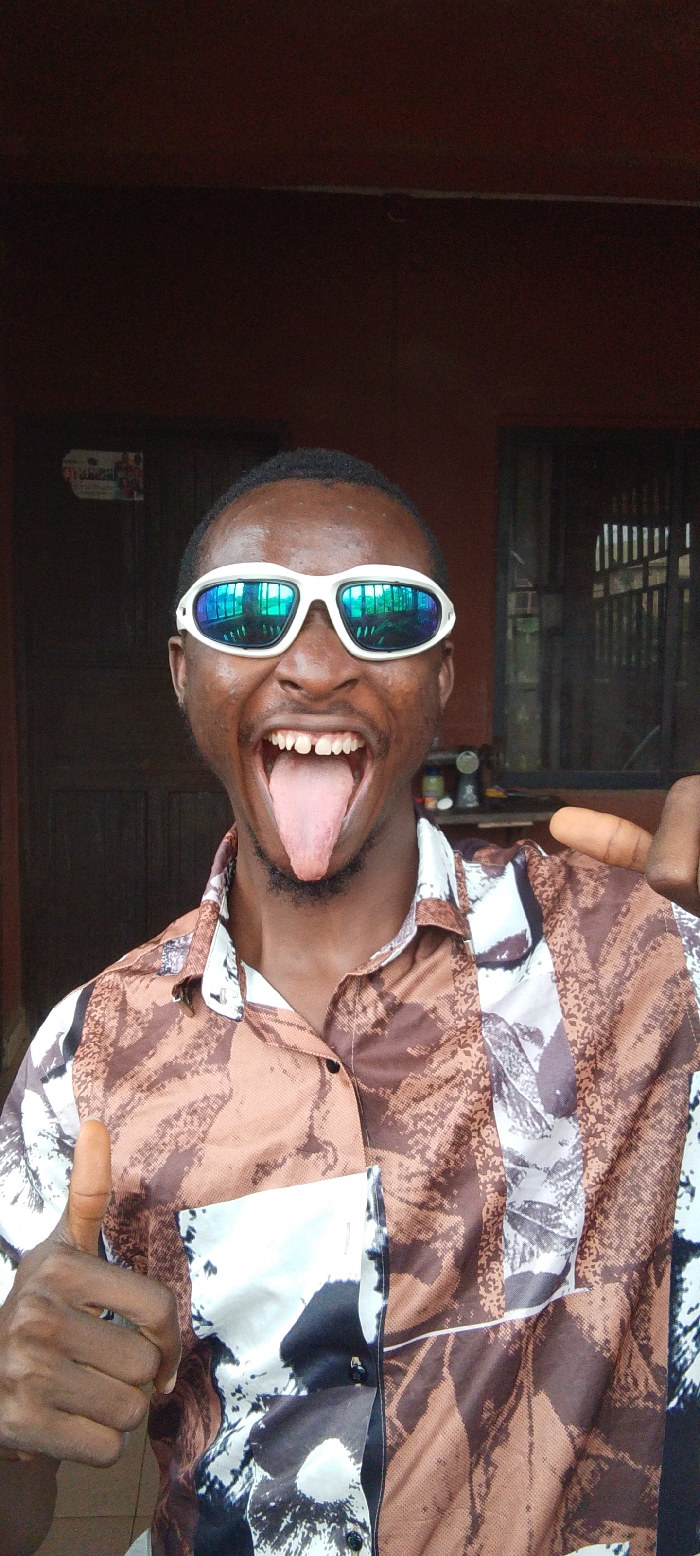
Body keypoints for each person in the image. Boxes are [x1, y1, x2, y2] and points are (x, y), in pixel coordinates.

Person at [0, 448, 699, 1556]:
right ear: (183, 671)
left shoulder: (642, 957)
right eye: (248, 611)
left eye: (382, 614)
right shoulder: (86, 1055)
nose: (318, 665)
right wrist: (12, 1431)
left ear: (442, 675)